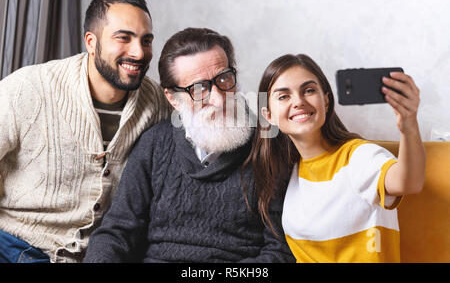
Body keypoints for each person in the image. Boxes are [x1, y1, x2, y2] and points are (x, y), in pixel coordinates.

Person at [83, 28, 295, 263]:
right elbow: (117, 232)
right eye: (199, 89)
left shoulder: (270, 145)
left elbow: (280, 252)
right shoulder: (154, 144)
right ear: (173, 98)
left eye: (224, 78)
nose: (218, 98)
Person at [0, 0, 171, 263]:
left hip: (102, 255)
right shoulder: (27, 87)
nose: (139, 52)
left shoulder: (160, 105)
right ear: (91, 42)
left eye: (146, 40)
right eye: (124, 38)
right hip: (14, 245)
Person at [247, 53, 426, 263]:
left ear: (326, 99)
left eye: (309, 90)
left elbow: (409, 182)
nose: (299, 101)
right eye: (283, 96)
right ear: (268, 116)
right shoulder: (286, 172)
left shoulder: (358, 156)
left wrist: (409, 124)